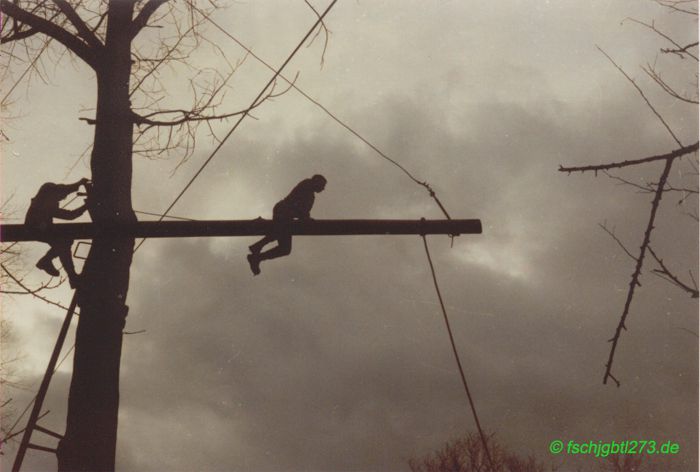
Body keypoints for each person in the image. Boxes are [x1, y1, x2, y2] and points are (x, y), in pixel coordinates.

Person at [247, 174, 327, 275]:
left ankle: (257, 257)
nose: (323, 188)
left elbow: (304, 214)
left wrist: (307, 219)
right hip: (283, 211)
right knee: (282, 229)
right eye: (322, 185)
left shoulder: (310, 195)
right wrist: (307, 219)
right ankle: (258, 247)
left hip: (286, 215)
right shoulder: (307, 185)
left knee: (285, 249)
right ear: (316, 181)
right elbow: (302, 211)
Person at [25, 178, 91, 288]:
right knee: (63, 243)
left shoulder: (45, 197)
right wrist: (86, 206)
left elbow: (64, 189)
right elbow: (70, 215)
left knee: (65, 241)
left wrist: (78, 183)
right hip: (37, 229)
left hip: (40, 228)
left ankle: (47, 261)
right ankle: (70, 276)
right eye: (60, 197)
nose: (60, 200)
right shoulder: (45, 204)